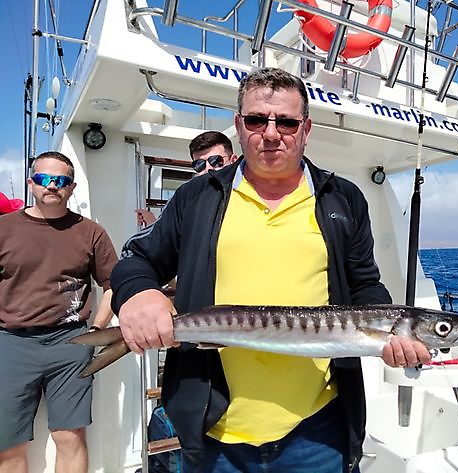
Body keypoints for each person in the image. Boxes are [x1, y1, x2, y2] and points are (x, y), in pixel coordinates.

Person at [111, 67, 430, 473]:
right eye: (257, 119)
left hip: (317, 429)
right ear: (240, 125)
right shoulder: (197, 196)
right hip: (214, 432)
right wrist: (138, 291)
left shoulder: (343, 198)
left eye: (287, 121)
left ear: (306, 128)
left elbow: (365, 282)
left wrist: (392, 332)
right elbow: (137, 259)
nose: (272, 132)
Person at [0, 151, 118, 473]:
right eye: (44, 179)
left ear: (72, 186)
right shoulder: (4, 228)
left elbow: (112, 284)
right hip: (11, 343)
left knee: (70, 436)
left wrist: (97, 327)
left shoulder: (91, 232)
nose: (52, 186)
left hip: (70, 344)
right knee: (7, 444)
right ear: (31, 183)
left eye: (61, 180)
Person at [136, 131, 238, 227]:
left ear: (233, 160)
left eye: (216, 160)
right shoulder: (189, 201)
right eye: (200, 164)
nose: (208, 168)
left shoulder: (248, 194)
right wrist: (151, 222)